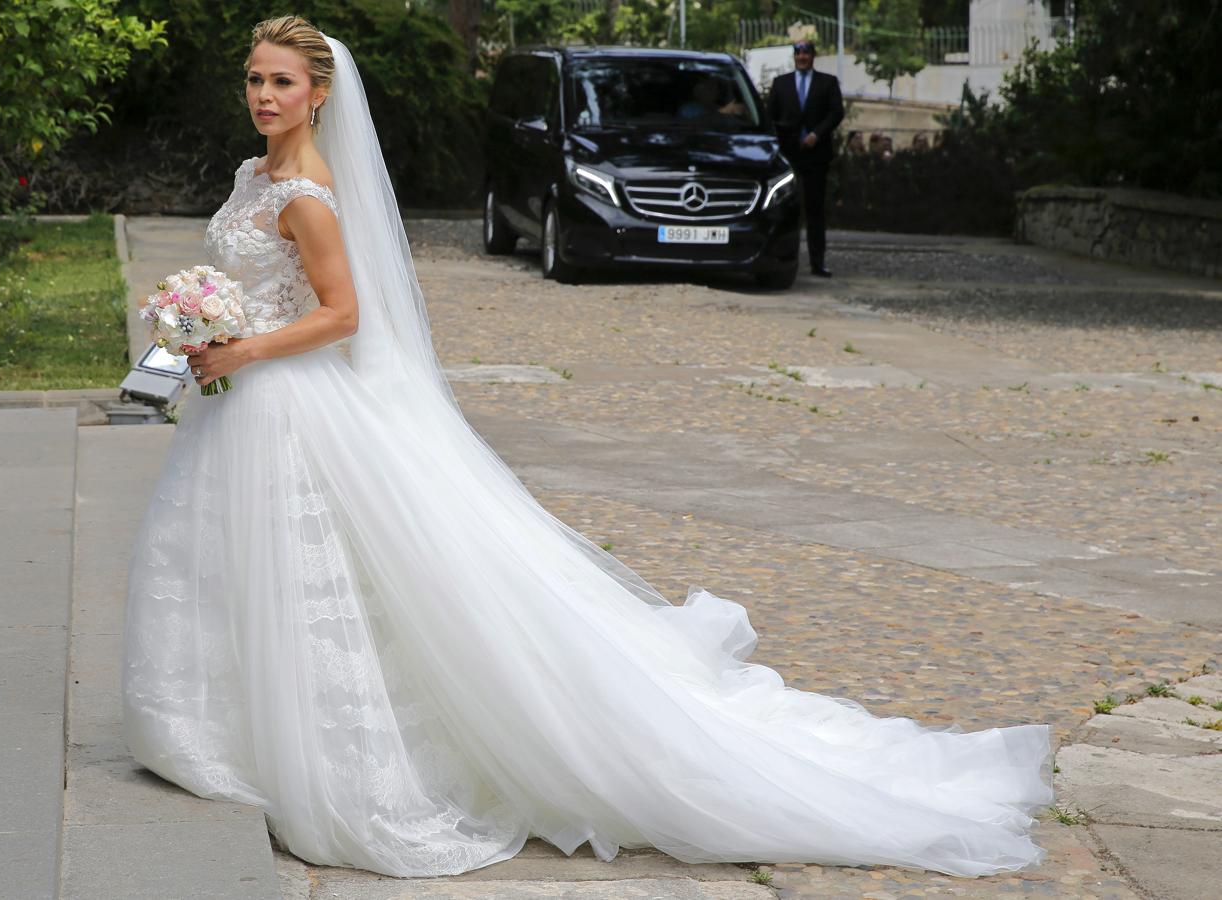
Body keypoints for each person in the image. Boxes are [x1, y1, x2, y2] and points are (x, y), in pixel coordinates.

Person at [121, 15, 1053, 880]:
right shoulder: (254, 177)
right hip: (242, 402)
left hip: (291, 405)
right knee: (233, 569)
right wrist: (193, 328)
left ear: (319, 94)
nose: (264, 96)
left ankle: (331, 748)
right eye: (254, 80)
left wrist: (240, 346)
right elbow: (253, 281)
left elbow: (343, 314)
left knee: (308, 580)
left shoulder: (310, 195)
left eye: (282, 82)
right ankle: (224, 731)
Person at [767, 39, 844, 278]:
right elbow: (771, 116)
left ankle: (817, 262)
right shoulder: (781, 84)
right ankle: (778, 259)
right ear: (794, 56)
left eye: (806, 53)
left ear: (813, 55)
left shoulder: (827, 83)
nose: (802, 57)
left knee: (814, 210)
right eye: (798, 53)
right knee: (782, 208)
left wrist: (816, 134)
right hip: (788, 155)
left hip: (815, 155)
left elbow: (836, 112)